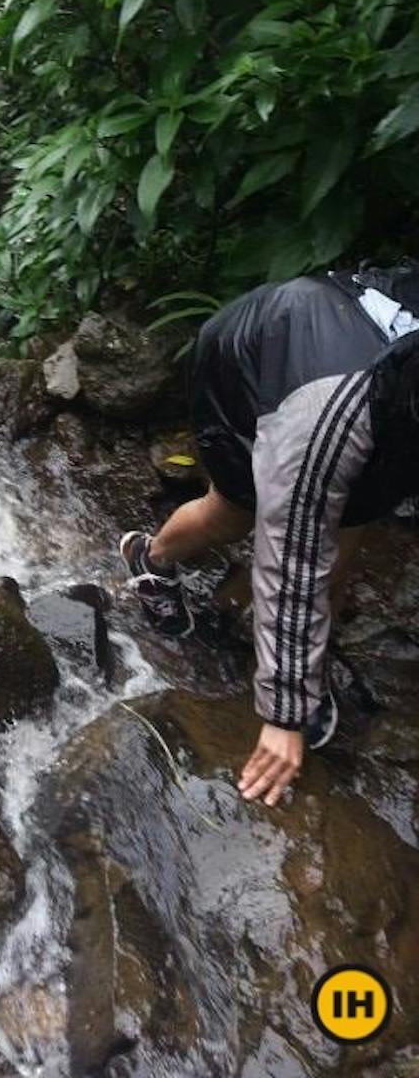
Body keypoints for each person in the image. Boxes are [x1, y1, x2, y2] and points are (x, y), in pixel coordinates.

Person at [119, 261, 419, 807]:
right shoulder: (331, 416)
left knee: (346, 532)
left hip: (358, 379)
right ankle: (150, 558)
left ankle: (308, 667)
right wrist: (283, 714)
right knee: (236, 513)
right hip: (255, 370)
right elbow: (292, 550)